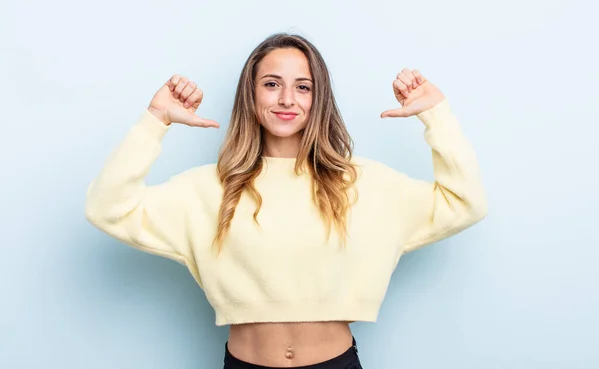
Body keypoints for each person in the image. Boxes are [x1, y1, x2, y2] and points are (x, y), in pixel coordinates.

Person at [84, 33, 487, 369]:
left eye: (303, 86)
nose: (286, 99)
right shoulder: (210, 189)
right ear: (252, 94)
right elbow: (107, 208)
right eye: (272, 84)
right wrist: (156, 119)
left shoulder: (362, 183)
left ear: (318, 98)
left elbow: (465, 202)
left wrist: (437, 115)